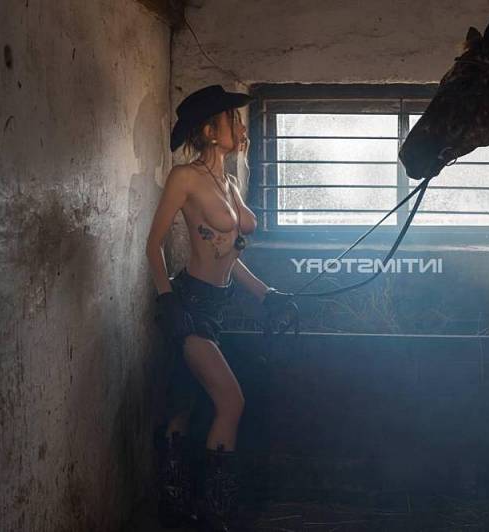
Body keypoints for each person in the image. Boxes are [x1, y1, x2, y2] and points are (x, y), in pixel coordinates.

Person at [146, 84, 292, 531]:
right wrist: (168, 303)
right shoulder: (184, 177)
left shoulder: (228, 182)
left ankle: (179, 505)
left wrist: (267, 294)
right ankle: (212, 514)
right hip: (189, 305)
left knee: (187, 402)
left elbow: (232, 255)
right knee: (230, 401)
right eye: (234, 120)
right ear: (210, 130)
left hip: (217, 306)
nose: (242, 128)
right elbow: (153, 245)